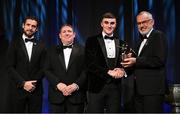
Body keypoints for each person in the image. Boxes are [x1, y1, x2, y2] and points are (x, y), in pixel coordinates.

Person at [121, 11, 168, 112]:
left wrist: (136, 60)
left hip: (153, 90)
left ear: (152, 22)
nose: (141, 25)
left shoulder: (158, 36)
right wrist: (123, 70)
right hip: (139, 90)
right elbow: (138, 63)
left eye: (144, 22)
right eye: (139, 23)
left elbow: (159, 60)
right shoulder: (140, 41)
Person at [85, 12, 128, 113]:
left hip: (115, 88)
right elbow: (89, 64)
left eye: (112, 23)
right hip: (96, 87)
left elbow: (126, 63)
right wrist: (108, 72)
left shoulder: (122, 43)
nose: (109, 25)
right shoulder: (91, 41)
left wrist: (123, 70)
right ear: (101, 24)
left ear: (116, 24)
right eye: (106, 22)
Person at [6, 16, 46, 112]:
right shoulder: (14, 44)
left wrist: (33, 83)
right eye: (28, 25)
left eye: (33, 26)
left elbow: (44, 67)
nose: (30, 28)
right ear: (23, 25)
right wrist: (23, 83)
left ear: (36, 29)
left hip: (35, 90)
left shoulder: (42, 46)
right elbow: (9, 67)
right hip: (18, 90)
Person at [44, 24, 87, 113]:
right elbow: (47, 70)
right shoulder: (51, 50)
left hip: (76, 96)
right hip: (56, 96)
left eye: (69, 31)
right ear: (60, 35)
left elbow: (86, 70)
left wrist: (76, 85)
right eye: (64, 31)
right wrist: (58, 84)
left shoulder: (83, 50)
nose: (67, 33)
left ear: (74, 34)